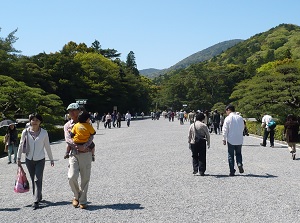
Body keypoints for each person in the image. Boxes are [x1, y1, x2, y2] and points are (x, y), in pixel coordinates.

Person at [17, 113, 54, 210]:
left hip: (40, 159)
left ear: (40, 122)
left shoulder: (44, 133)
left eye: (37, 120)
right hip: (29, 159)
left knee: (38, 179)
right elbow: (21, 145)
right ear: (30, 121)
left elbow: (47, 146)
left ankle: (35, 200)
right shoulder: (25, 132)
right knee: (33, 179)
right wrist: (18, 158)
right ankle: (38, 195)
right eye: (32, 120)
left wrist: (51, 159)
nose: (34, 122)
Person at [64, 103, 94, 209]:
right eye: (69, 111)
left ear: (79, 111)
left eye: (74, 110)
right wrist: (78, 147)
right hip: (73, 153)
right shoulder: (67, 125)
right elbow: (68, 139)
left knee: (85, 177)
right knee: (71, 176)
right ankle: (76, 195)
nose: (71, 112)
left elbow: (91, 136)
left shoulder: (87, 122)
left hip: (86, 153)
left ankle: (83, 200)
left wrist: (85, 146)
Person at [222, 104, 245, 176]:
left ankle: (232, 170)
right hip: (239, 139)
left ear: (229, 110)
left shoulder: (228, 118)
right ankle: (239, 163)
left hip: (231, 139)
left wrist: (224, 138)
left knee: (230, 155)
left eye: (226, 111)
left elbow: (225, 129)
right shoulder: (240, 118)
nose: (226, 112)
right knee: (238, 153)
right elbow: (243, 127)